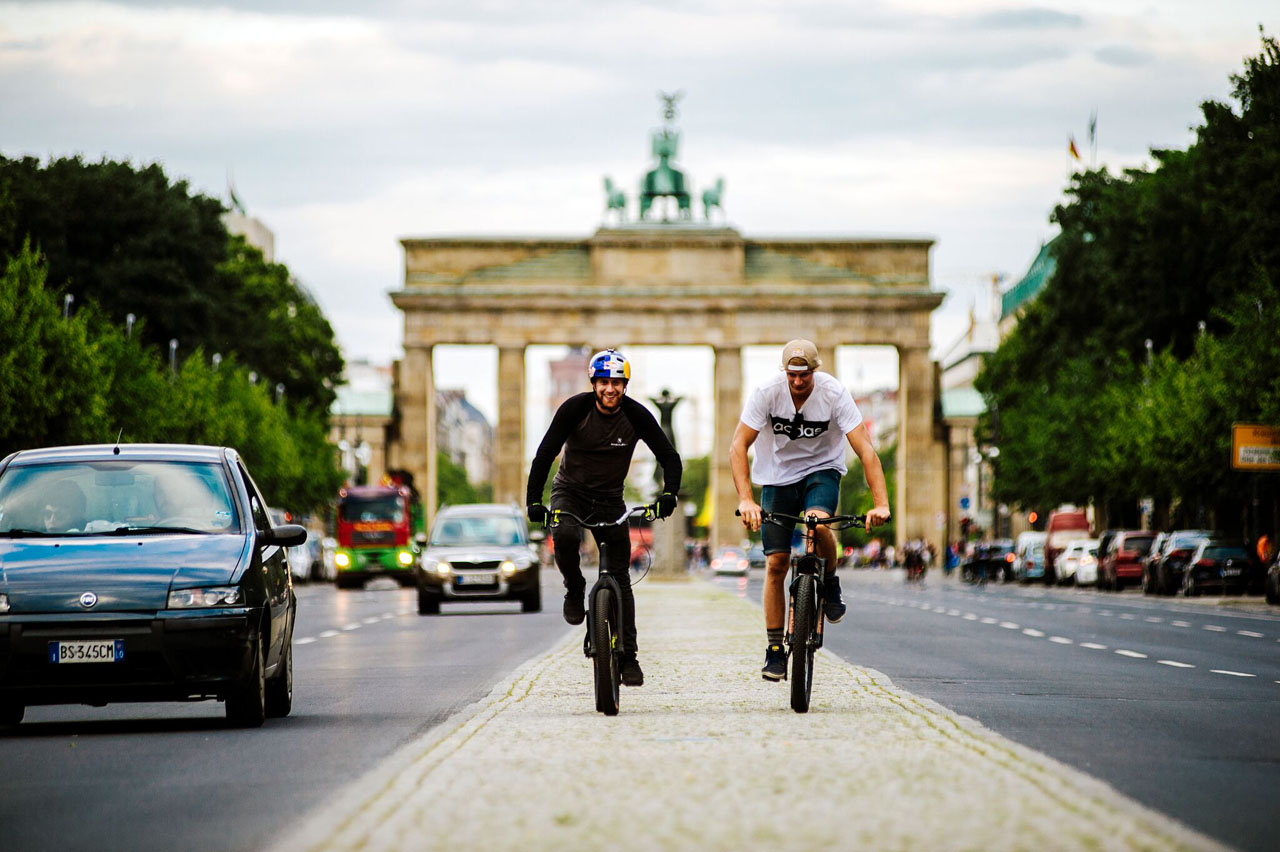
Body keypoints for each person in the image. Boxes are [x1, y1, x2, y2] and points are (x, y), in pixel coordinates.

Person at [731, 339, 891, 681]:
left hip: (822, 471)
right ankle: (775, 649)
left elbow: (865, 449)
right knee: (776, 562)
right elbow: (738, 446)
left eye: (804, 375)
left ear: (815, 371)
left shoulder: (834, 393)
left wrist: (881, 504)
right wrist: (746, 499)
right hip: (776, 477)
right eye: (792, 374)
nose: (798, 381)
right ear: (784, 372)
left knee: (818, 525)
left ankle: (830, 582)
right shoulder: (766, 392)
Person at [526, 348, 683, 688]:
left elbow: (669, 457)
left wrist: (668, 494)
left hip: (611, 500)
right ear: (593, 383)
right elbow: (544, 455)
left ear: (625, 385)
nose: (610, 389)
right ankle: (574, 587)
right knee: (564, 535)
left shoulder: (636, 415)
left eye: (617, 383)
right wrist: (533, 502)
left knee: (622, 579)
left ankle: (629, 657)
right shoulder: (573, 409)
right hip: (570, 492)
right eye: (604, 382)